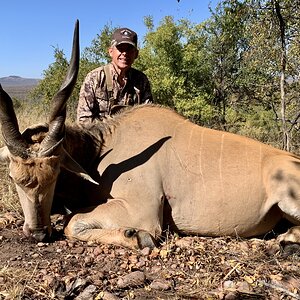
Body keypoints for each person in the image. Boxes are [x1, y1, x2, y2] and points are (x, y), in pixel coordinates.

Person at [77, 27, 153, 124]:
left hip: (133, 135)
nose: (125, 53)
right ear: (111, 52)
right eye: (120, 48)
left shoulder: (141, 80)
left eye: (129, 49)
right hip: (99, 137)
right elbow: (84, 121)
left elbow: (148, 116)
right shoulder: (95, 77)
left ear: (136, 54)